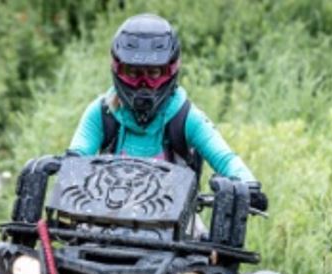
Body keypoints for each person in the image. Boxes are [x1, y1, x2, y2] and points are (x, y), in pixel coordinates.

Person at [68, 13, 268, 213]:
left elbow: (226, 159)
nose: (143, 84)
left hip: (176, 228)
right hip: (106, 218)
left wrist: (248, 185)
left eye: (154, 73)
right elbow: (77, 155)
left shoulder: (185, 116)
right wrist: (62, 165)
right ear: (118, 70)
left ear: (171, 70)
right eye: (134, 73)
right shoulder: (102, 113)